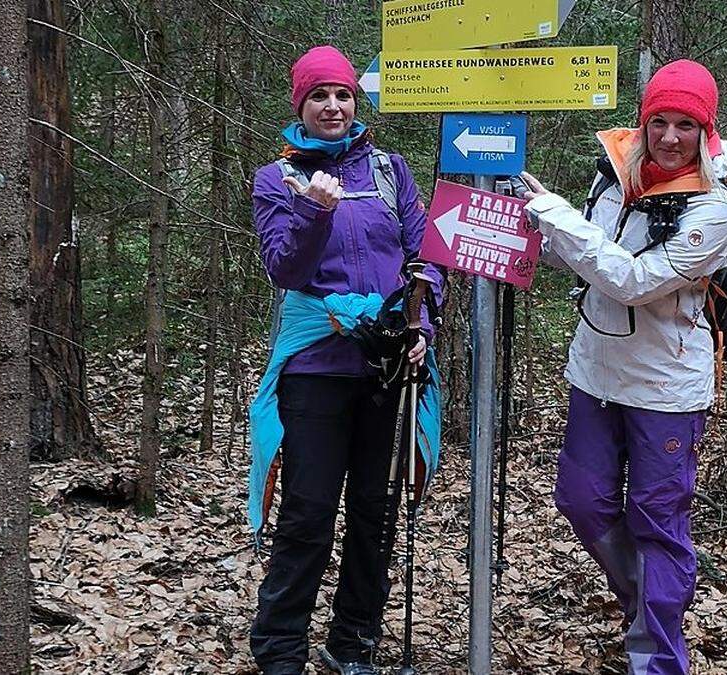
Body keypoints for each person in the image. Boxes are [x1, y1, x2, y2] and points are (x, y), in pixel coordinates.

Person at [518, 59, 727, 674]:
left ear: (706, 131)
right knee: (582, 500)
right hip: (595, 372)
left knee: (657, 519)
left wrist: (557, 218)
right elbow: (587, 263)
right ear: (643, 123)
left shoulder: (714, 211)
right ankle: (646, 602)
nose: (670, 138)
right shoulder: (612, 181)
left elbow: (634, 281)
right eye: (659, 122)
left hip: (666, 387)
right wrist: (530, 228)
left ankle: (658, 658)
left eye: (686, 125)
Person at [246, 45, 443, 675]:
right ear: (299, 106)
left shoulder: (389, 171)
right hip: (315, 367)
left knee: (374, 510)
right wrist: (315, 210)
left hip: (386, 365)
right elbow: (286, 267)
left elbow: (425, 256)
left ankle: (351, 641)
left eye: (343, 96)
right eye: (319, 97)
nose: (333, 107)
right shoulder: (278, 180)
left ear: (356, 103)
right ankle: (279, 649)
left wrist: (420, 320)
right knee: (308, 507)